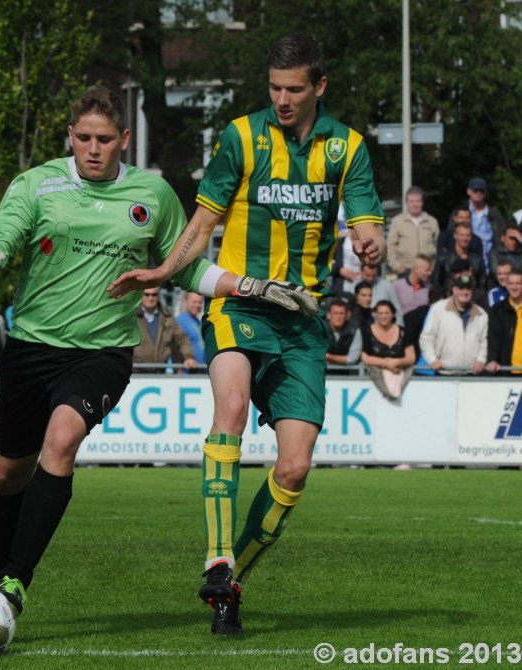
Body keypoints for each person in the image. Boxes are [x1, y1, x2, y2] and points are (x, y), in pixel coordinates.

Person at [0, 85, 310, 623]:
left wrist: (250, 287)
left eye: (104, 139)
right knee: (8, 473)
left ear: (124, 139)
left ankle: (15, 584)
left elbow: (187, 266)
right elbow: (6, 229)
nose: (93, 149)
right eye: (83, 139)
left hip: (101, 353)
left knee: (62, 439)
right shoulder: (37, 183)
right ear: (69, 137)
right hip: (31, 347)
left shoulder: (154, 193)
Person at [107, 34, 385, 635]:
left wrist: (371, 243)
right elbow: (203, 221)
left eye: (294, 90)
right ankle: (217, 558)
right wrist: (162, 270)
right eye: (274, 90)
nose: (282, 101)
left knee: (295, 469)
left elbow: (368, 225)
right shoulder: (240, 137)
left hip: (303, 321)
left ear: (319, 87)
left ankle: (231, 589)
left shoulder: (348, 147)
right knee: (229, 405)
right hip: (240, 306)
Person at [419, 274, 487, 375]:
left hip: (471, 373)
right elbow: (427, 337)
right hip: (444, 371)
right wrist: (432, 360)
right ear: (454, 290)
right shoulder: (438, 309)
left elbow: (484, 340)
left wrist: (481, 360)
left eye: (468, 288)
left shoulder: (481, 313)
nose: (465, 292)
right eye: (461, 288)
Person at [439, 179, 506, 263]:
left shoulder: (494, 213)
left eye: (481, 190)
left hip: (491, 259)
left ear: (485, 193)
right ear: (469, 191)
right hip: (466, 258)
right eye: (475, 190)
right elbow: (451, 234)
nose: (478, 193)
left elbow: (504, 236)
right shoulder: (460, 211)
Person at [360, 300, 416, 399]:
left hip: (400, 373)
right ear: (375, 315)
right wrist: (387, 364)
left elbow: (411, 357)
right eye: (380, 313)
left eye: (387, 313)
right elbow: (365, 357)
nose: (383, 316)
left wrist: (396, 362)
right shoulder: (366, 331)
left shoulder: (404, 332)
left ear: (393, 314)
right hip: (374, 376)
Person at [133, 288, 197, 372]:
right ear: (141, 295)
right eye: (147, 294)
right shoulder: (132, 316)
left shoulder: (167, 316)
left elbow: (182, 338)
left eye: (154, 295)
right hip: (136, 372)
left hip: (160, 371)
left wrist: (189, 357)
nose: (150, 298)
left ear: (158, 296)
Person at [386, 186, 439, 276]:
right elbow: (390, 246)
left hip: (427, 271)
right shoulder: (398, 221)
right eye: (411, 201)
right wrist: (396, 266)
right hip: (405, 269)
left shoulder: (431, 221)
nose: (415, 204)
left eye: (418, 201)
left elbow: (438, 245)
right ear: (407, 203)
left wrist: (433, 266)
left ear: (422, 202)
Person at [485, 269, 522, 375]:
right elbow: (493, 337)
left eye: (518, 283)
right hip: (506, 370)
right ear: (506, 285)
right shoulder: (498, 310)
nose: (514, 287)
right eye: (511, 283)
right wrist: (492, 359)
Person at [434, 220, 487, 290]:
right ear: (455, 236)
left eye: (467, 235)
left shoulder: (477, 260)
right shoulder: (444, 259)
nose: (465, 238)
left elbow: (483, 284)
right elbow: (436, 284)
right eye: (462, 235)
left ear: (471, 237)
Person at [325, 298, 362, 371]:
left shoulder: (354, 330)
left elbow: (352, 359)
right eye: (335, 313)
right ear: (328, 315)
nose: (338, 317)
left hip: (347, 376)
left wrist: (329, 357)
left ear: (347, 315)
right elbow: (314, 356)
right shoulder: (320, 330)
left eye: (341, 313)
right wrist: (341, 360)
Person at [175, 290, 206, 365]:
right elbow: (176, 345)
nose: (197, 305)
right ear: (185, 302)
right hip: (186, 371)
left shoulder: (199, 322)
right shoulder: (179, 321)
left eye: (200, 302)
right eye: (194, 302)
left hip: (200, 370)